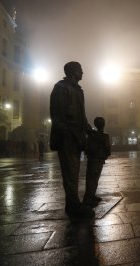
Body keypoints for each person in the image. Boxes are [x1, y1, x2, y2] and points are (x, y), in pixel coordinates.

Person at [49, 61, 94, 218]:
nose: (83, 72)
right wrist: (65, 131)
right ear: (73, 71)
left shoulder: (79, 90)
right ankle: (74, 206)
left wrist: (89, 129)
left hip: (77, 135)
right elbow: (56, 114)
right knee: (70, 172)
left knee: (73, 172)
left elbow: (82, 115)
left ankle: (72, 204)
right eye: (80, 69)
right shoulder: (60, 88)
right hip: (67, 136)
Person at [83, 117, 111, 207]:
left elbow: (86, 148)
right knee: (94, 179)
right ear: (103, 125)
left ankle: (91, 196)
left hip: (93, 160)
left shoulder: (91, 135)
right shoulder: (104, 136)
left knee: (91, 179)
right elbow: (108, 150)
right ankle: (88, 199)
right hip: (98, 159)